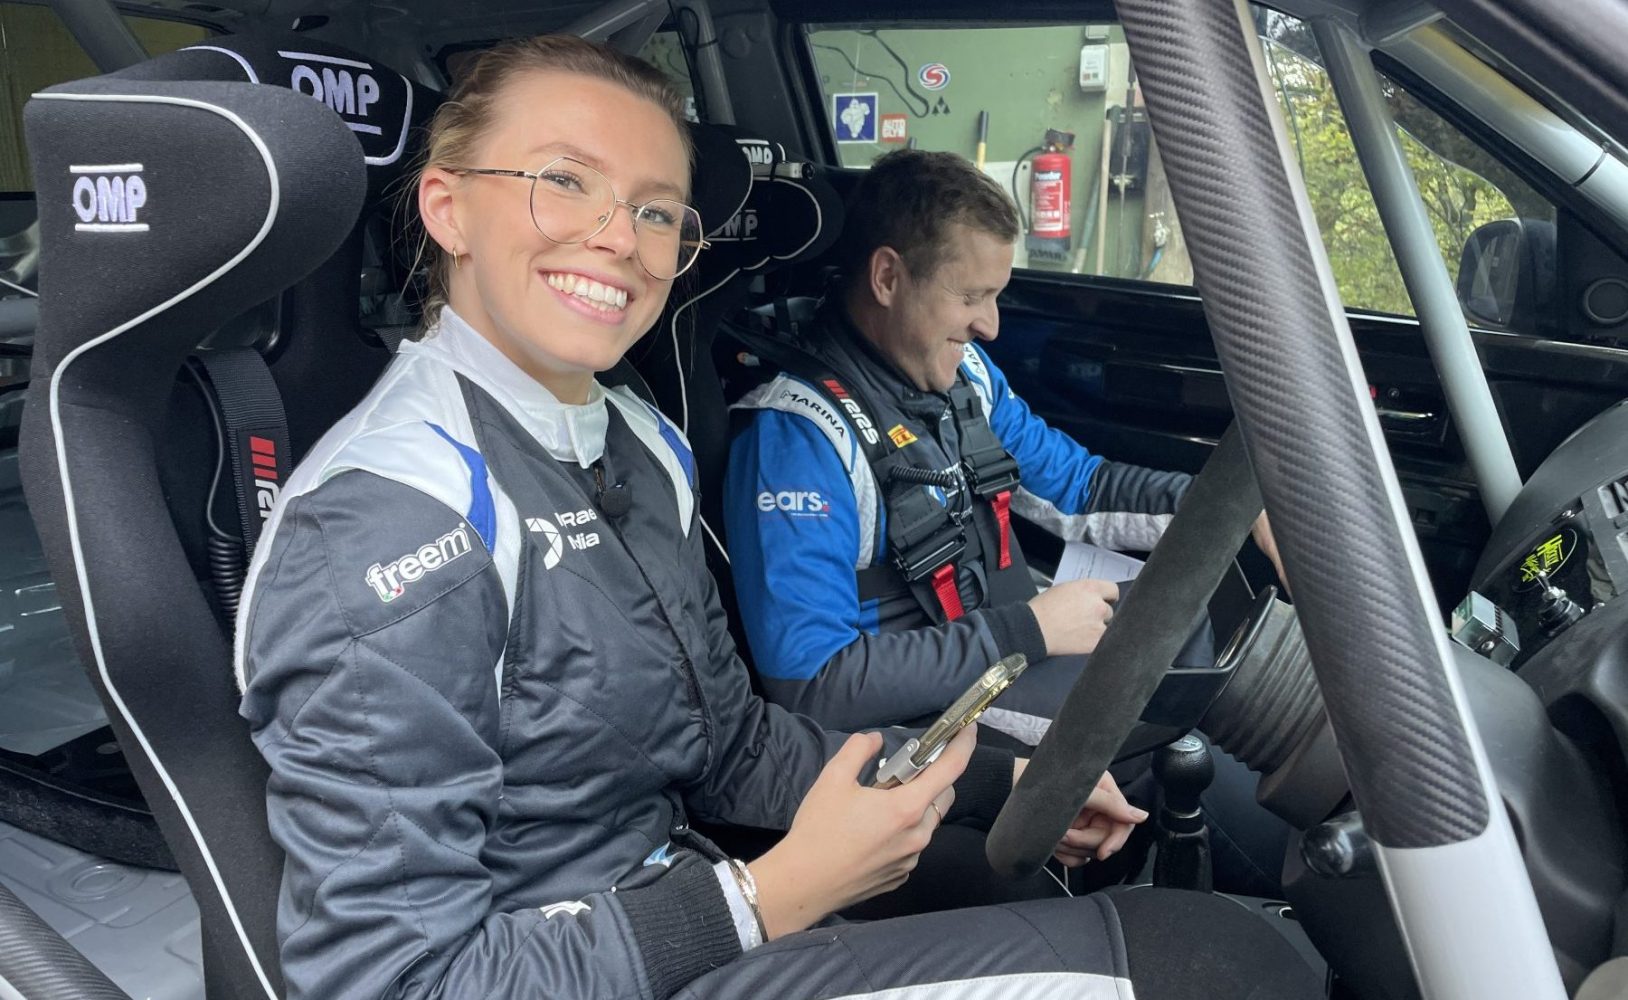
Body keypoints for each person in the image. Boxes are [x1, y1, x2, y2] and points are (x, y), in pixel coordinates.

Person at [235, 36, 1320, 1000]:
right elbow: (398, 982)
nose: (618, 238)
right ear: (446, 207)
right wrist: (768, 897)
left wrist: (1001, 781)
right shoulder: (390, 522)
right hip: (619, 943)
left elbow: (730, 742)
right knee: (1227, 969)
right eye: (563, 182)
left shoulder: (635, 438)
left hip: (682, 894)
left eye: (656, 209)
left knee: (1222, 940)